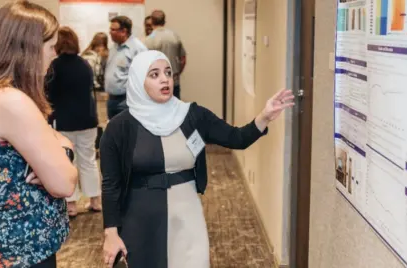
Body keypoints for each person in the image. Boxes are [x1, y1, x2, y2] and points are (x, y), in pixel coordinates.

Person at [100, 50, 294, 268]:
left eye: (168, 73)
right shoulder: (119, 128)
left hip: (187, 215)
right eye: (154, 75)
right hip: (140, 219)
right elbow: (111, 185)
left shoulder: (192, 115)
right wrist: (111, 232)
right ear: (137, 81)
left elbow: (236, 138)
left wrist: (264, 117)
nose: (165, 79)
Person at [0, 1, 78, 267]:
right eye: (50, 47)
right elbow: (65, 183)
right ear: (29, 50)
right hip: (21, 252)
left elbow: (57, 140)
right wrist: (64, 154)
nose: (54, 55)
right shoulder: (11, 101)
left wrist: (61, 147)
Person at [47, 26, 102, 217]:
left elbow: (50, 95)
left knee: (68, 161)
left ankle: (71, 204)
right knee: (89, 160)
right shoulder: (84, 64)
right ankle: (95, 200)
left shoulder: (54, 66)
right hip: (87, 119)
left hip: (65, 121)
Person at [104, 16, 147, 119]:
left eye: (113, 30)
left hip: (126, 100)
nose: (110, 32)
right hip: (112, 99)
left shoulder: (138, 49)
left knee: (126, 132)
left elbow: (143, 76)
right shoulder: (114, 47)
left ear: (124, 31)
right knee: (114, 132)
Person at [145, 10, 186, 99]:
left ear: (151, 21)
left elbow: (145, 65)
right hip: (173, 81)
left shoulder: (148, 40)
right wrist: (177, 73)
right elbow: (182, 59)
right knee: (174, 111)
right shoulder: (174, 36)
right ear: (164, 21)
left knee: (158, 111)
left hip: (156, 84)